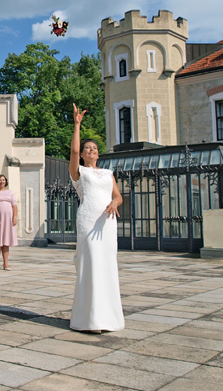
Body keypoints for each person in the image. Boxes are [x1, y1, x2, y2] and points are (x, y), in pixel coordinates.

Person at [68, 103, 125, 333]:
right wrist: (77, 124)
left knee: (106, 266)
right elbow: (72, 152)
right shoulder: (79, 172)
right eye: (87, 148)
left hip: (108, 223)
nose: (91, 150)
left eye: (94, 148)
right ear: (82, 155)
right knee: (90, 264)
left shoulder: (107, 173)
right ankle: (88, 320)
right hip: (89, 222)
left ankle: (107, 319)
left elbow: (119, 196)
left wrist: (115, 202)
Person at [0, 174, 18, 270]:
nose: (2, 182)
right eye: (0, 180)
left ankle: (6, 263)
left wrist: (15, 217)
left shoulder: (10, 192)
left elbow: (14, 205)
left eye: (3, 180)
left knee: (6, 240)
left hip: (8, 219)